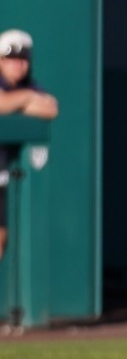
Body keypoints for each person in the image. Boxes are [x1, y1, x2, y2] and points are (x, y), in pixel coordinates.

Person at [0, 29, 58, 261]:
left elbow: (51, 108)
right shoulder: (27, 91)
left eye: (23, 59)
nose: (18, 65)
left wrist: (18, 100)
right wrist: (26, 100)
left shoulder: (29, 85)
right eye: (11, 59)